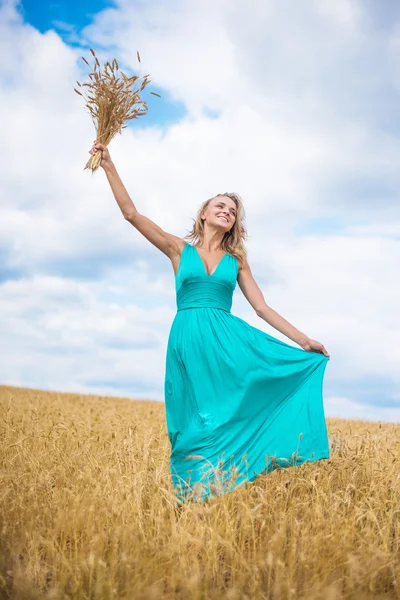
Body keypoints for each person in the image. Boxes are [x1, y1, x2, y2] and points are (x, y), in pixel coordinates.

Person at [89, 140, 331, 506]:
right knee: (188, 420)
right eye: (220, 206)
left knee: (229, 409)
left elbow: (262, 308)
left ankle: (220, 489)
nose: (227, 212)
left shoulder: (237, 261)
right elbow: (131, 214)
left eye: (233, 211)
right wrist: (109, 165)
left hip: (226, 342)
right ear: (203, 213)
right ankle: (189, 498)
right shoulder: (177, 249)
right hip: (187, 338)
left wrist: (305, 341)